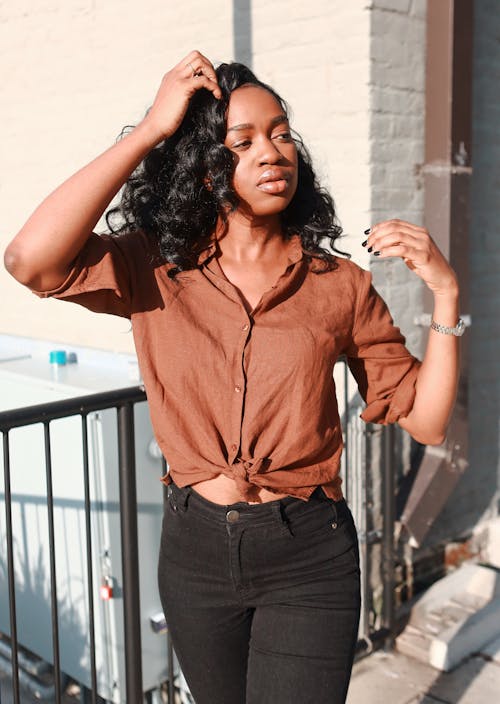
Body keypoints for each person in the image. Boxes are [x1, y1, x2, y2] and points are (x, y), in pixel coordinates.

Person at [4, 50, 462, 704]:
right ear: (203, 164)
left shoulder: (339, 286)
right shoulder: (155, 266)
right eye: (243, 141)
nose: (273, 151)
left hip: (308, 555)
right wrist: (148, 132)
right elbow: (29, 261)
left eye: (280, 132)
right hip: (194, 553)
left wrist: (445, 296)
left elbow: (426, 417)